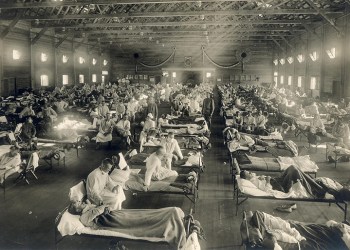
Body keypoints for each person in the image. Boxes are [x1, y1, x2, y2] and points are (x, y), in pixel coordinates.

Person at [67, 201, 187, 249]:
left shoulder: (88, 208)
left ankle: (171, 214)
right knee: (141, 221)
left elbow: (103, 207)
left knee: (143, 214)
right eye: (78, 203)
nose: (80, 202)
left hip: (115, 214)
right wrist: (102, 207)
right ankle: (171, 221)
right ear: (77, 209)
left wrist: (102, 207)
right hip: (111, 221)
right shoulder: (83, 216)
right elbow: (99, 211)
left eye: (79, 201)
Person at [240, 165, 326, 199]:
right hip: (280, 187)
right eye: (249, 173)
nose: (251, 173)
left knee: (292, 167)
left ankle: (314, 185)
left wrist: (261, 177)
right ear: (247, 178)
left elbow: (257, 178)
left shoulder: (253, 179)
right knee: (294, 171)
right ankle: (318, 190)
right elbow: (266, 190)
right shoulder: (253, 182)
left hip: (277, 181)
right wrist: (267, 180)